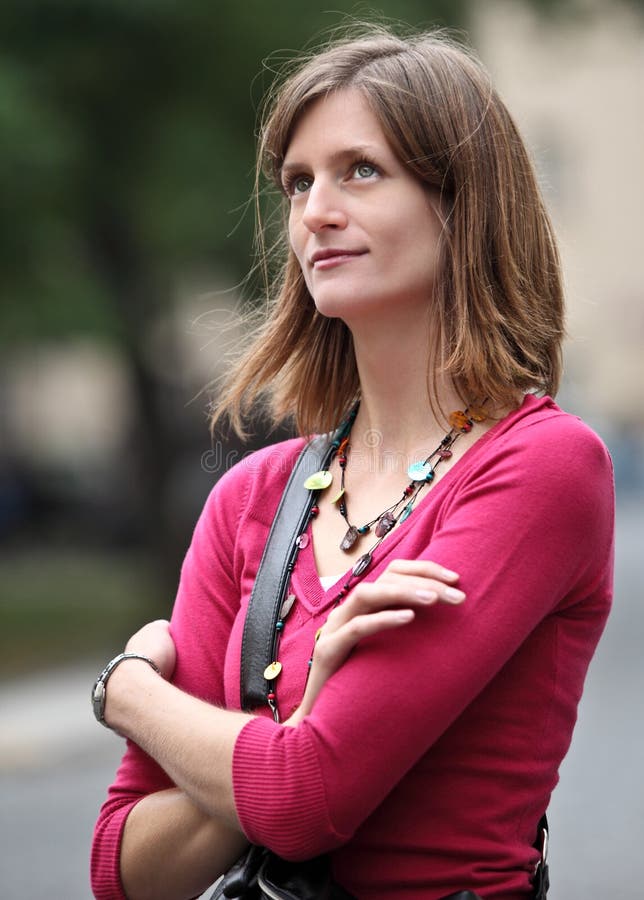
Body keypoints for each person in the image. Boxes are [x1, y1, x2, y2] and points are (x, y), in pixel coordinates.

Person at [90, 25, 614, 900]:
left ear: (463, 202)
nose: (314, 213)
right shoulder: (249, 497)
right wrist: (290, 727)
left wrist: (127, 690)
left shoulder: (543, 467)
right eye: (299, 183)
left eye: (360, 171)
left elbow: (308, 801)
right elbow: (123, 872)